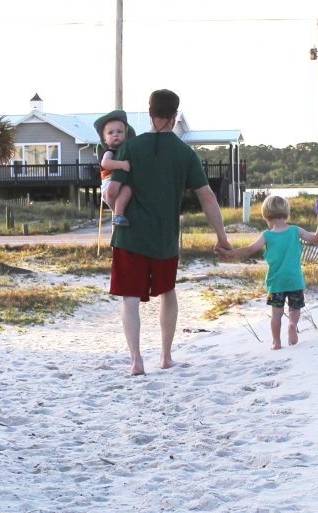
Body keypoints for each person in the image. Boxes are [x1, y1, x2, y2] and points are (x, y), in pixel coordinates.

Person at [106, 89, 231, 375]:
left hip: (129, 237)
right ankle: (165, 356)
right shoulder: (185, 153)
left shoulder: (129, 148)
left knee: (130, 298)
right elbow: (207, 197)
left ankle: (136, 360)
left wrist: (118, 208)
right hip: (165, 238)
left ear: (149, 112)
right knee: (168, 292)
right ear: (175, 116)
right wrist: (222, 237)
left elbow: (113, 191)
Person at [221, 194, 318, 350]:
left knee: (276, 314)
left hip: (276, 282)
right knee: (295, 309)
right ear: (286, 212)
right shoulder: (295, 230)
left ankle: (276, 342)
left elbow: (250, 249)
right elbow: (316, 238)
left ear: (266, 215)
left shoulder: (267, 235)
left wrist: (230, 253)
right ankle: (292, 325)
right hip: (295, 280)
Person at [93, 109, 135, 227]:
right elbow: (105, 164)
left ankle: (119, 215)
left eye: (119, 132)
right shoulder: (109, 152)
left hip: (122, 184)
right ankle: (116, 214)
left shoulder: (126, 152)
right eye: (110, 133)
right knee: (112, 191)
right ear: (105, 139)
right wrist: (121, 165)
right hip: (108, 184)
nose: (115, 134)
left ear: (125, 136)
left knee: (127, 190)